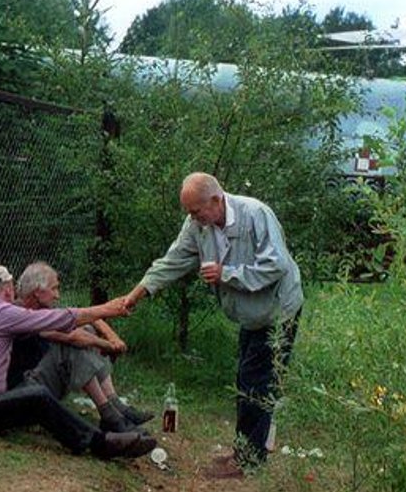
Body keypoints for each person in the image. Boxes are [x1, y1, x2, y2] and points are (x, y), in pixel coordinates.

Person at [121, 172, 303, 478]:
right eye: (189, 212)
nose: (192, 218)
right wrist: (138, 293)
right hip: (250, 314)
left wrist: (226, 274)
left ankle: (248, 460)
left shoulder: (255, 214)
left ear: (217, 200)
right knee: (247, 379)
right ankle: (245, 449)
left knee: (256, 382)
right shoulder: (198, 225)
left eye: (196, 211)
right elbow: (174, 259)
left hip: (277, 310)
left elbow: (276, 265)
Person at [0, 264, 156, 460]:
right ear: (8, 290)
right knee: (37, 395)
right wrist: (108, 309)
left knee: (36, 391)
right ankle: (100, 443)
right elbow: (62, 322)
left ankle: (111, 415)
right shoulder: (0, 312)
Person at [8, 261, 154, 433]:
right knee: (72, 345)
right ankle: (109, 414)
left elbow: (86, 316)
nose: (58, 295)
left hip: (39, 380)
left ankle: (115, 405)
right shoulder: (24, 315)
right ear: (38, 293)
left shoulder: (40, 308)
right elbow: (73, 337)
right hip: (23, 390)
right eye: (54, 289)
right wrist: (108, 345)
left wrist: (112, 337)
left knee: (86, 329)